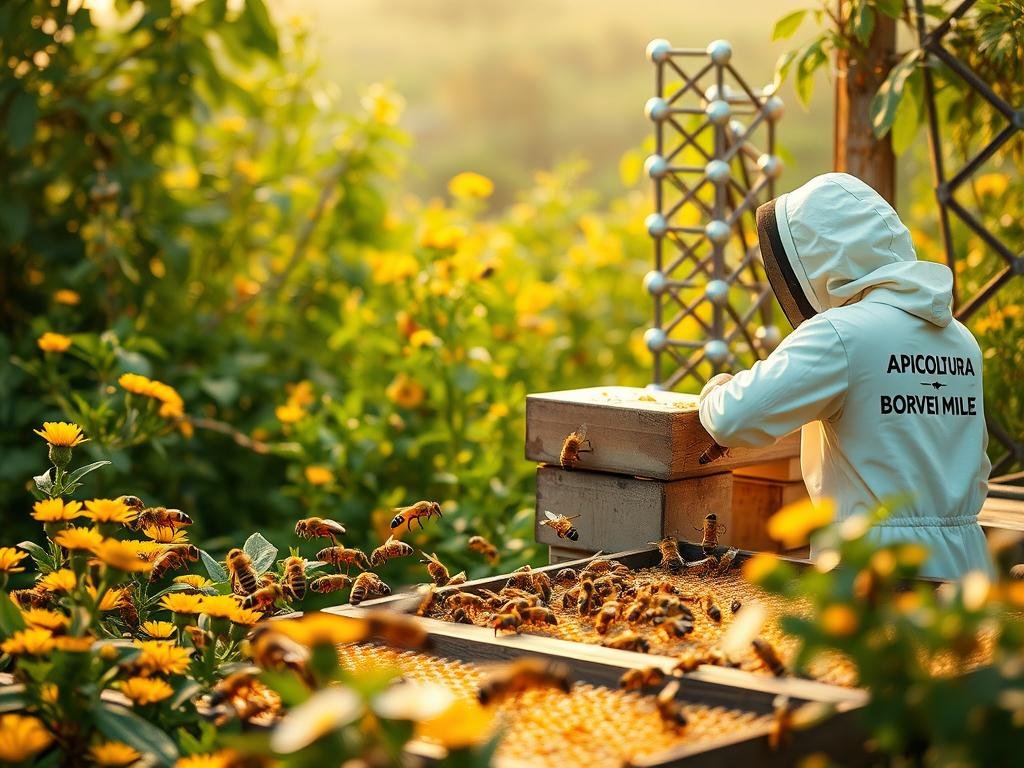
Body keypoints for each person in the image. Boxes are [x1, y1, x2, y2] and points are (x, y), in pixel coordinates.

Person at [697, 172, 993, 580]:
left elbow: (734, 418)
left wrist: (717, 389)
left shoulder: (842, 333)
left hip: (877, 570)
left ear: (820, 258)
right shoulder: (961, 339)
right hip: (967, 565)